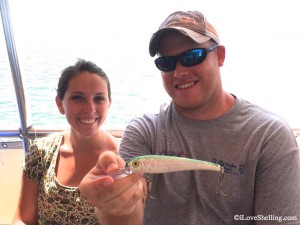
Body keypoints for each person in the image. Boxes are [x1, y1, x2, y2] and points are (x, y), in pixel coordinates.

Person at [79, 10, 300, 225]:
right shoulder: (144, 131)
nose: (179, 72)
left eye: (192, 56)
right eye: (166, 62)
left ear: (220, 56)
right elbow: (129, 209)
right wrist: (117, 205)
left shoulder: (269, 136)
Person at [13, 59, 119, 224]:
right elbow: (23, 219)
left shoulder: (124, 158)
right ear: (59, 104)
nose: (90, 109)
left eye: (99, 99)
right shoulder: (40, 153)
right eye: (78, 98)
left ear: (109, 103)